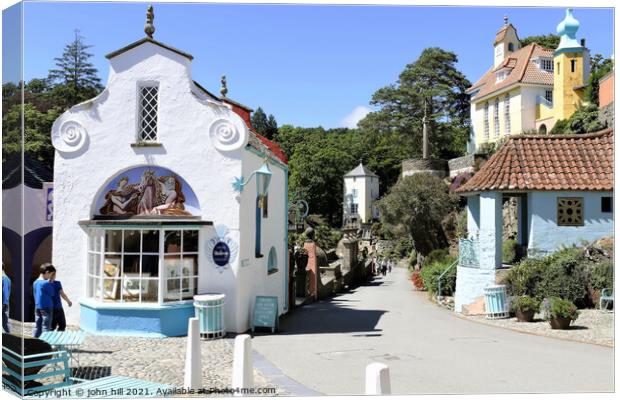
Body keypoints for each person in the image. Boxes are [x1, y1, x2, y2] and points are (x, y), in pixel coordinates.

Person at [33, 264, 55, 338]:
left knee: (37, 327)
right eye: (51, 274)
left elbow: (35, 294)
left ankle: (33, 342)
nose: (50, 276)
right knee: (46, 327)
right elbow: (52, 293)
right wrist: (51, 282)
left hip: (37, 307)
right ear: (47, 272)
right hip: (47, 307)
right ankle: (45, 345)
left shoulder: (35, 282)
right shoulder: (46, 283)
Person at [48, 266, 72, 331]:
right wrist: (68, 301)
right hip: (54, 308)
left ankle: (55, 339)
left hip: (57, 308)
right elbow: (62, 294)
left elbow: (62, 294)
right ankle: (52, 339)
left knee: (59, 326)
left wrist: (68, 301)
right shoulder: (46, 284)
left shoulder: (57, 283)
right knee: (59, 326)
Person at [2, 263, 10, 333]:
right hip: (4, 303)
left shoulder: (4, 279)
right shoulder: (5, 278)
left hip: (3, 303)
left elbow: (5, 294)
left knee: (5, 324)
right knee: (5, 323)